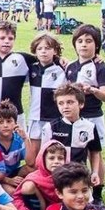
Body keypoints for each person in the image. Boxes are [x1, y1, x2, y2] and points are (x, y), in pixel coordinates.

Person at [64, 25, 105, 201]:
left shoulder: (101, 67)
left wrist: (92, 90)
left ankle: (98, 192)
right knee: (75, 151)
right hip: (75, 118)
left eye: (89, 41)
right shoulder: (70, 66)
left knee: (95, 154)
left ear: (96, 45)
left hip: (93, 116)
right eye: (80, 41)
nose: (84, 45)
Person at [41, 83, 103, 199]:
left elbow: (94, 152)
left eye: (70, 102)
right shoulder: (50, 127)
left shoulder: (90, 127)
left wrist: (94, 172)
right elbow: (43, 155)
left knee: (84, 207)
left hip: (79, 177)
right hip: (56, 177)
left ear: (81, 104)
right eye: (61, 103)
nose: (65, 106)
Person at [25, 33, 66, 167]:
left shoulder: (63, 68)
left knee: (53, 153)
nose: (43, 51)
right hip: (35, 117)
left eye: (48, 48)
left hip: (54, 118)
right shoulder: (31, 67)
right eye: (40, 48)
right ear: (35, 51)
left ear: (55, 51)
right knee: (33, 157)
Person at [0, 21, 34, 120]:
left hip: (15, 114)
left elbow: (45, 61)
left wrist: (59, 60)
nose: (7, 41)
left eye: (10, 38)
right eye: (2, 38)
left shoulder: (22, 58)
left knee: (18, 135)